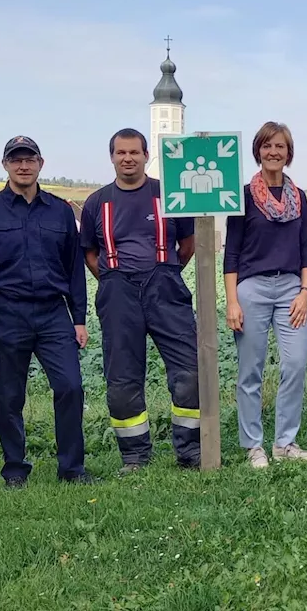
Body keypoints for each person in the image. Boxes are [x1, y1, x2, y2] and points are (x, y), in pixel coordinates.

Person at [0, 136, 93, 487]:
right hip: (6, 312)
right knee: (8, 396)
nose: (23, 165)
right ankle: (15, 469)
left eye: (30, 159)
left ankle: (72, 468)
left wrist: (78, 318)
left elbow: (73, 268)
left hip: (53, 314)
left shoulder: (60, 210)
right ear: (5, 164)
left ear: (41, 163)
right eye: (16, 159)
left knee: (70, 387)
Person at [80, 128, 200, 473]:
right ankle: (135, 456)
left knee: (189, 371)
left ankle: (189, 452)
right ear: (112, 157)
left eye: (134, 152)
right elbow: (90, 253)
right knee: (122, 378)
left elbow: (188, 244)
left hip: (166, 288)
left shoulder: (169, 195)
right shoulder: (96, 203)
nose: (128, 158)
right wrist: (114, 280)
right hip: (118, 294)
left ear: (147, 155)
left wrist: (164, 272)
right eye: (121, 153)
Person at [225, 121, 307, 468]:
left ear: (288, 153)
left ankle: (285, 442)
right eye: (267, 146)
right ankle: (253, 446)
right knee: (251, 369)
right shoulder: (244, 196)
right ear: (258, 151)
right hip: (252, 288)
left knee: (295, 363)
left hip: (292, 288)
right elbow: (232, 252)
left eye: (280, 146)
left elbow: (306, 252)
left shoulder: (299, 197)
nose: (274, 152)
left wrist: (305, 291)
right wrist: (232, 300)